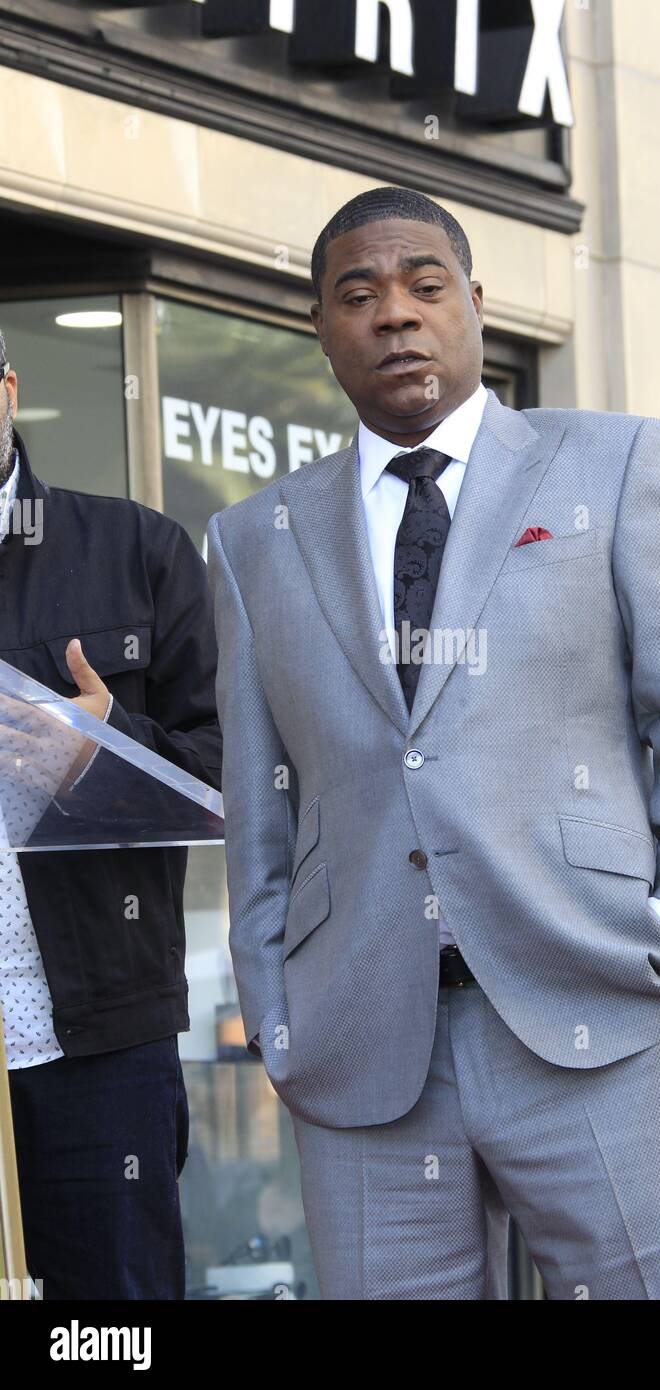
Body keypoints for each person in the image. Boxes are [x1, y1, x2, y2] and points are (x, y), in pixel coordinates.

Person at [206, 186, 660, 1300]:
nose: (395, 316)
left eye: (424, 285)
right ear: (320, 326)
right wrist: (275, 1009)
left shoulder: (608, 465)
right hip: (361, 1049)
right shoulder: (251, 538)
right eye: (357, 294)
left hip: (591, 1003)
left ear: (475, 302)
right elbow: (263, 807)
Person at [0, 332, 222, 1299]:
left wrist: (104, 754)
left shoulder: (136, 550)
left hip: (88, 1038)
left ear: (6, 389)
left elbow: (234, 780)